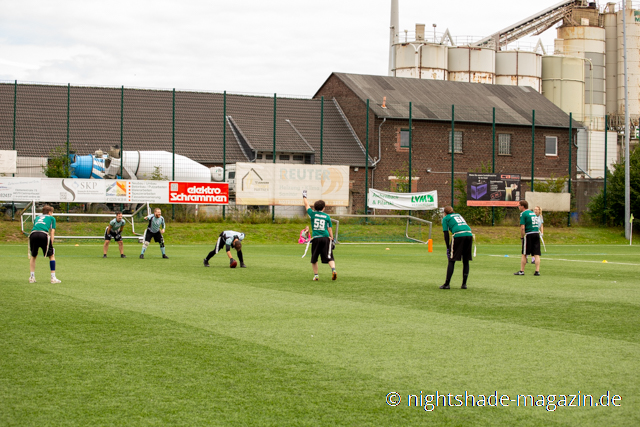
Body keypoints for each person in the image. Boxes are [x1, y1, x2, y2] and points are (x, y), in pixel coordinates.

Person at [303, 190, 337, 281]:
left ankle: (316, 275)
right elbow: (329, 228)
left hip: (316, 239)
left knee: (314, 258)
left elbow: (306, 205)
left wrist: (304, 196)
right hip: (326, 238)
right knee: (329, 256)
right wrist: (332, 238)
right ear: (323, 208)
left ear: (315, 207)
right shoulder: (327, 216)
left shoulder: (313, 214)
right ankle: (333, 270)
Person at [439, 206, 473, 289]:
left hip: (459, 235)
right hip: (469, 234)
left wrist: (448, 248)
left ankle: (447, 284)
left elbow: (446, 234)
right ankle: (464, 284)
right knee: (465, 260)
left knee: (452, 260)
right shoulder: (458, 215)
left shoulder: (446, 218)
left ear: (444, 213)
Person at [28, 205, 61, 284]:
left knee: (33, 256)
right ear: (49, 212)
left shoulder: (37, 218)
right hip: (43, 234)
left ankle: (32, 277)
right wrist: (51, 243)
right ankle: (53, 278)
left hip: (33, 234)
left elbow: (36, 227)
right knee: (51, 255)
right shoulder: (52, 218)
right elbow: (52, 231)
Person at [515, 200, 541, 276]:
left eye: (519, 205)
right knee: (536, 254)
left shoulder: (523, 214)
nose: (518, 207)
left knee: (524, 253)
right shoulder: (533, 213)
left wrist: (522, 237)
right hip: (536, 233)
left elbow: (522, 227)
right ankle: (537, 271)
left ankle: (522, 271)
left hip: (529, 234)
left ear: (522, 206)